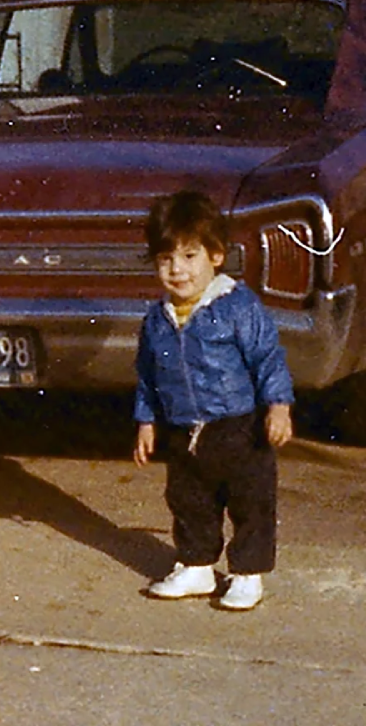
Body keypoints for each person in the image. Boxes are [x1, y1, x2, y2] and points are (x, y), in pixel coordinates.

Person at [134, 190, 294, 610]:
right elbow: (148, 375)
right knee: (189, 499)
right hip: (183, 428)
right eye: (166, 259)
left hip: (238, 425)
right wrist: (146, 421)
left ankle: (247, 573)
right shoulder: (157, 319)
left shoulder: (236, 307)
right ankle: (196, 565)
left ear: (216, 256)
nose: (177, 270)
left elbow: (267, 357)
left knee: (250, 499)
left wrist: (278, 405)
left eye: (190, 257)